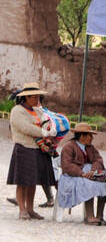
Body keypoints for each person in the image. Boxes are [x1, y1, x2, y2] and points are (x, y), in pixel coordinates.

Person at [7, 83, 59, 220]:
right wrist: (43, 132)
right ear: (26, 98)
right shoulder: (17, 111)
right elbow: (25, 127)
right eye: (34, 97)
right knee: (22, 181)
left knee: (32, 182)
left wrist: (49, 129)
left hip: (38, 149)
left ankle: (30, 209)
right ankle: (22, 210)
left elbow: (46, 121)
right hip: (24, 148)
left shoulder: (37, 111)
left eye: (38, 97)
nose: (37, 100)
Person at [57, 123, 106, 225]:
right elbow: (67, 165)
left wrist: (93, 171)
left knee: (103, 182)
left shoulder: (91, 148)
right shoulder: (69, 147)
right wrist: (82, 173)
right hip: (72, 177)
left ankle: (99, 215)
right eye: (90, 135)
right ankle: (90, 216)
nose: (92, 138)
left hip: (88, 175)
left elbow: (98, 160)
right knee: (88, 184)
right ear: (82, 136)